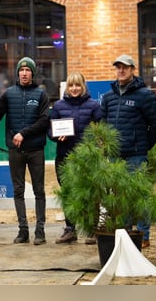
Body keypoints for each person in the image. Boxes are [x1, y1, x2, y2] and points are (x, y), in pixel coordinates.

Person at [0, 57, 50, 245]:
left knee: (39, 190)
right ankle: (23, 231)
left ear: (33, 73)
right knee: (18, 191)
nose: (25, 73)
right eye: (22, 70)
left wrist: (23, 133)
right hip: (16, 151)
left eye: (28, 70)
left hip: (36, 150)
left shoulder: (41, 95)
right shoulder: (8, 94)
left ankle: (40, 231)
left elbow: (44, 121)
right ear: (18, 73)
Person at [101, 54, 156, 249]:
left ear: (132, 70)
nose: (121, 71)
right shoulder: (108, 97)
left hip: (136, 155)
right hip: (115, 157)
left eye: (125, 67)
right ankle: (127, 233)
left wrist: (144, 145)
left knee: (140, 196)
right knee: (121, 197)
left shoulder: (144, 95)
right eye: (118, 67)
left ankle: (143, 235)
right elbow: (103, 124)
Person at [48, 72, 102, 244]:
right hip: (65, 157)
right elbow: (50, 130)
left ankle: (92, 229)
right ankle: (70, 229)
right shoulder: (58, 106)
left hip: (87, 158)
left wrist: (95, 140)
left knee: (90, 193)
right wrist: (57, 136)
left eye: (77, 85)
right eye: (71, 86)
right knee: (68, 193)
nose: (74, 89)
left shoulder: (94, 106)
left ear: (83, 86)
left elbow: (101, 128)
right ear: (66, 87)